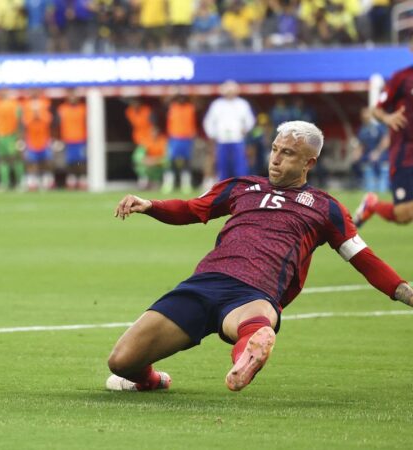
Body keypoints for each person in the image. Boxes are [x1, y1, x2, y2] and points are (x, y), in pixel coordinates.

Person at [106, 121, 412, 393]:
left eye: (288, 153)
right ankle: (151, 380)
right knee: (121, 361)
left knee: (255, 326)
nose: (276, 159)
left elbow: (364, 259)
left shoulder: (326, 208)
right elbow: (190, 209)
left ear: (309, 162)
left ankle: (247, 358)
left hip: (255, 292)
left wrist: (404, 291)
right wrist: (150, 204)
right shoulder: (242, 187)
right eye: (275, 149)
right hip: (203, 283)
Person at [353, 57, 413, 227]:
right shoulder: (402, 78)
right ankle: (372, 205)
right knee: (404, 215)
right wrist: (387, 117)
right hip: (406, 153)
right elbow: (376, 110)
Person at [203, 80, 255, 182]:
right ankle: (223, 185)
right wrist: (212, 134)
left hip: (237, 139)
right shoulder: (217, 105)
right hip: (222, 139)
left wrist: (246, 129)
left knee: (240, 164)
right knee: (222, 164)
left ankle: (242, 184)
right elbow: (208, 121)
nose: (230, 94)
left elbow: (250, 120)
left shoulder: (242, 104)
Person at [57, 90, 87, 190]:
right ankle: (71, 179)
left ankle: (82, 179)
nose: (72, 98)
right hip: (68, 140)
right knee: (70, 162)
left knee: (81, 161)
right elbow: (58, 125)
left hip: (81, 139)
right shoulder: (62, 109)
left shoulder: (83, 108)